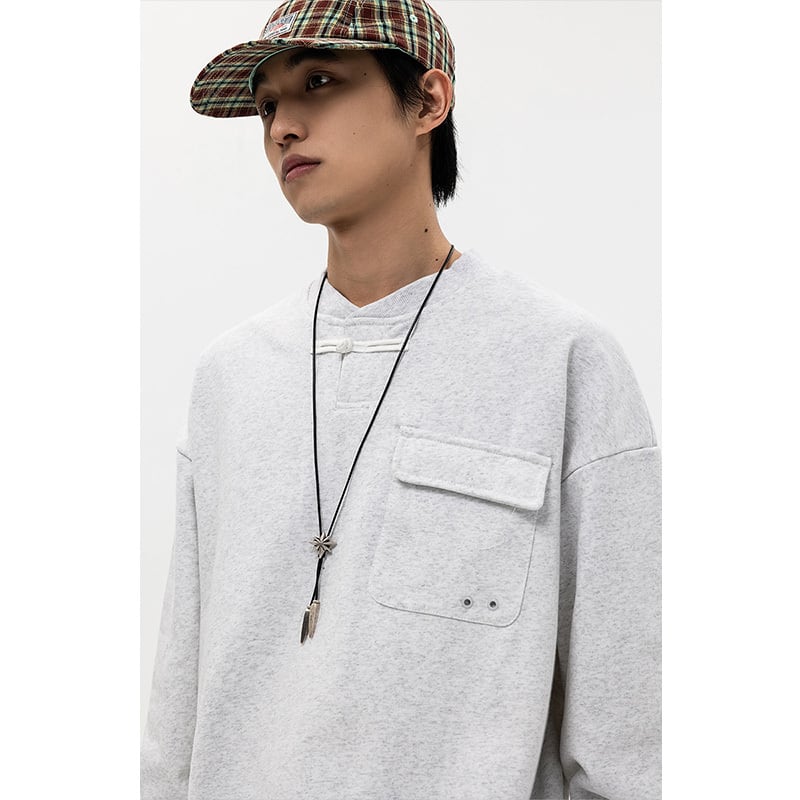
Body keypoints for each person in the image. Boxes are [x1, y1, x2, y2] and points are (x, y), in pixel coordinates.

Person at [140, 1, 661, 798]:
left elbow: (629, 737)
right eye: (268, 104)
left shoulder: (560, 361)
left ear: (427, 101)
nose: (282, 127)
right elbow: (177, 716)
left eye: (319, 82)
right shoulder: (229, 379)